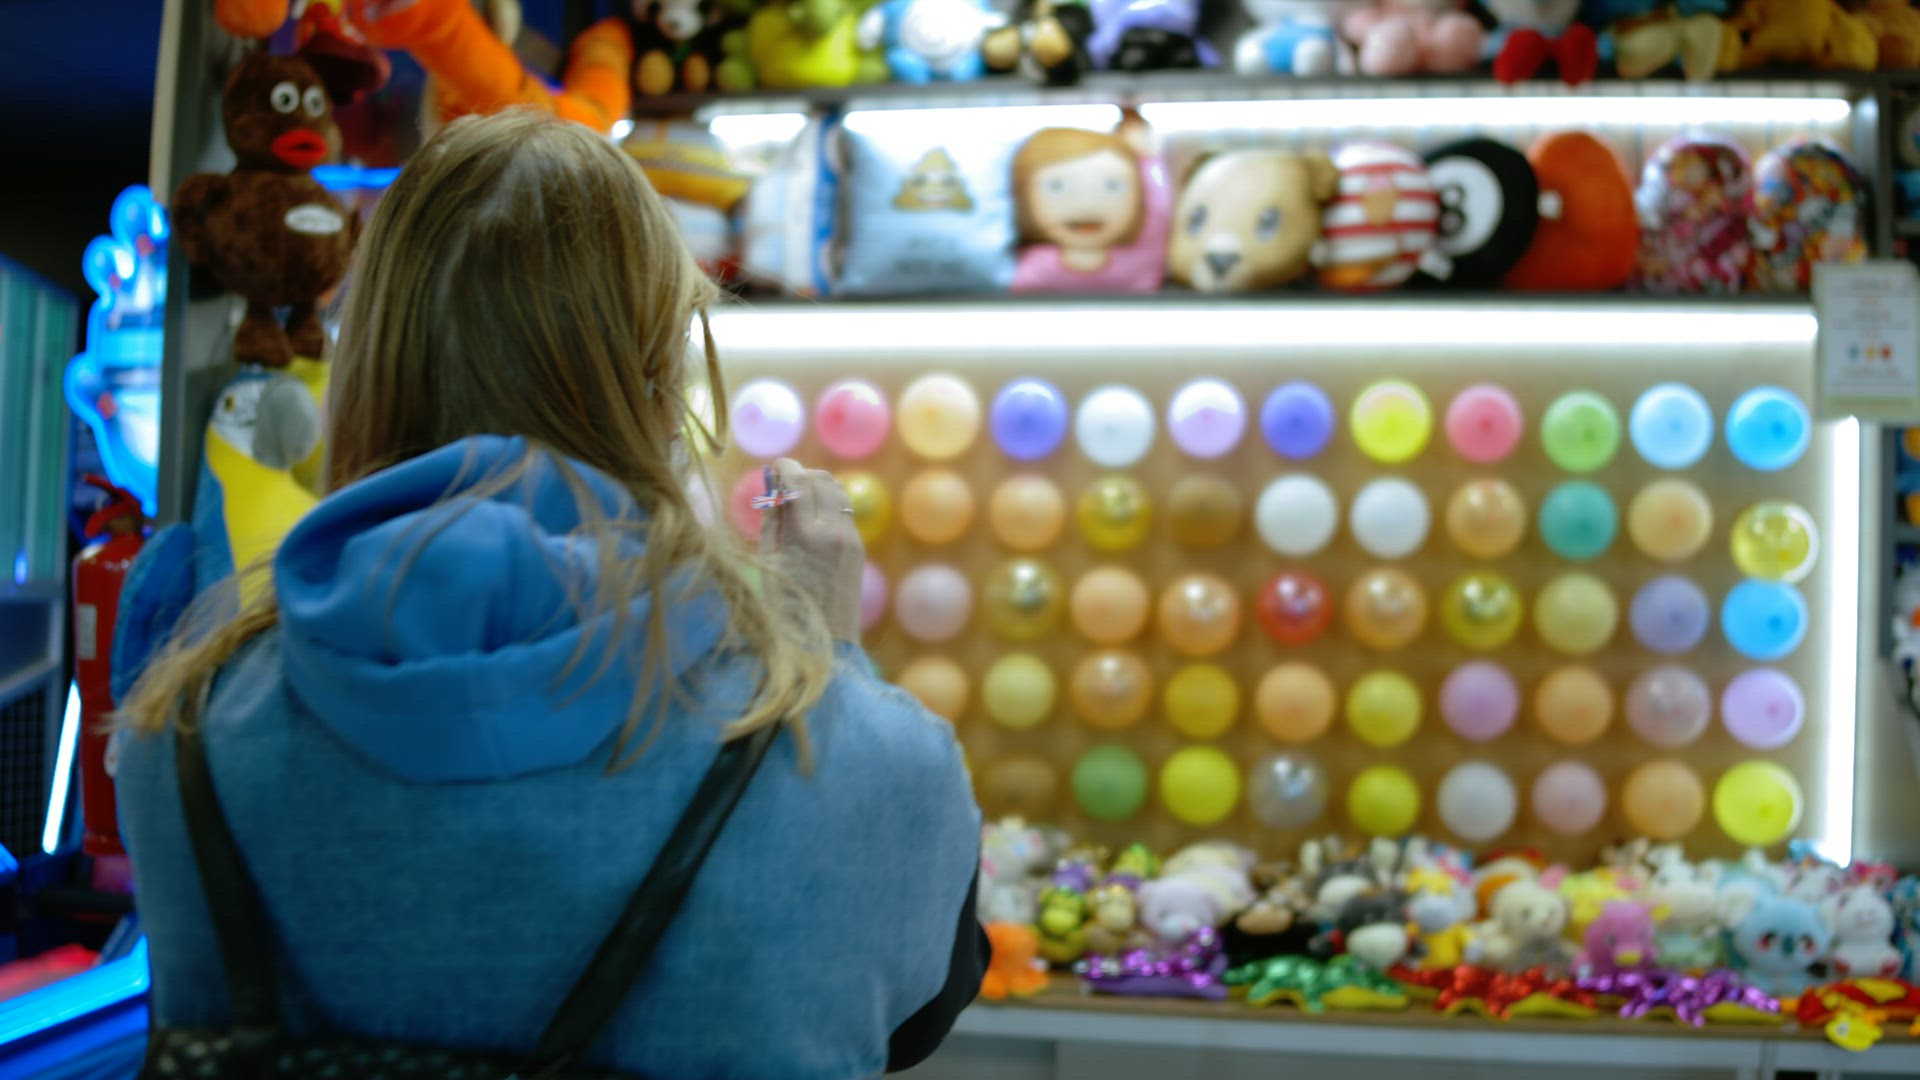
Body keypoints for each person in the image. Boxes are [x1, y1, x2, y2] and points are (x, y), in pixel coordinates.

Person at [114, 109, 986, 1078]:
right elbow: (912, 1015)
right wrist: (825, 666)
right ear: (660, 383)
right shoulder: (871, 757)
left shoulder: (181, 727)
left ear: (364, 368)